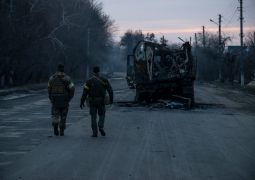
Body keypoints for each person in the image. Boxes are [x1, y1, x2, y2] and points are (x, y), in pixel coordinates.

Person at [80, 66, 113, 137]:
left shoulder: (89, 81)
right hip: (101, 101)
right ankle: (100, 126)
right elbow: (110, 90)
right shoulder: (104, 80)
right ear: (99, 71)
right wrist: (111, 100)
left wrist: (82, 101)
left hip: (92, 102)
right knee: (102, 115)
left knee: (93, 117)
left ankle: (95, 133)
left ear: (93, 71)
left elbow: (85, 92)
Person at [48, 64, 75, 136]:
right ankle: (62, 130)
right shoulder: (67, 78)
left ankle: (55, 127)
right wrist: (69, 98)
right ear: (63, 69)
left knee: (55, 115)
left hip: (55, 100)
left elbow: (49, 89)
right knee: (63, 116)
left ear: (57, 69)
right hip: (64, 100)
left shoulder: (51, 78)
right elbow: (72, 89)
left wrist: (51, 98)